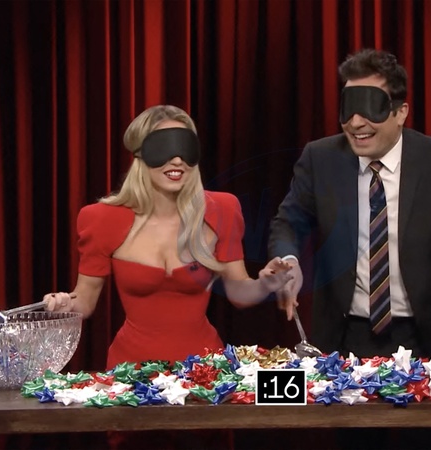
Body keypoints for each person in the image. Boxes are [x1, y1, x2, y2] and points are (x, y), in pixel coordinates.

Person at [268, 49, 431, 361]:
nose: (356, 122)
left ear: (400, 112)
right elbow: (288, 222)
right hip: (343, 337)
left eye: (370, 108)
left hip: (428, 339)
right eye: (349, 109)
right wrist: (288, 259)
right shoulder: (321, 159)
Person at [45, 104, 292, 369]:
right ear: (140, 155)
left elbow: (239, 292)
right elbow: (84, 301)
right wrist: (65, 307)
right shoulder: (101, 218)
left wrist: (265, 283)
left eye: (185, 148)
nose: (177, 160)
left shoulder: (222, 209)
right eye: (164, 147)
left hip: (204, 371)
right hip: (131, 373)